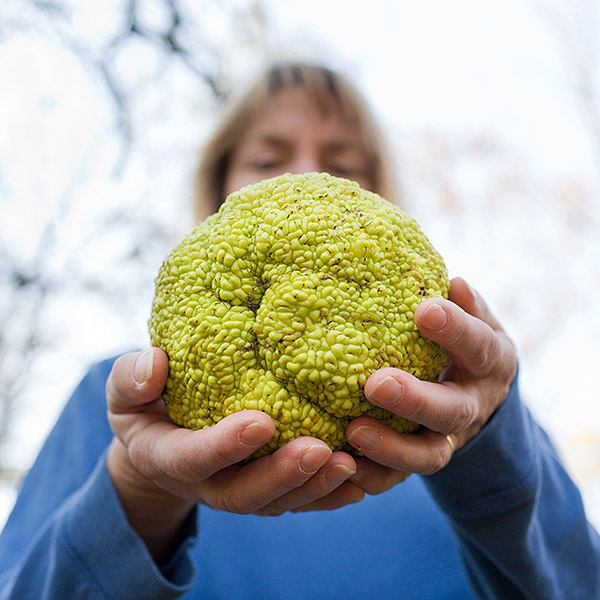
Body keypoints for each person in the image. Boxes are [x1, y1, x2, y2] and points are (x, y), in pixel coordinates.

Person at [0, 62, 599, 600]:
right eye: (267, 160)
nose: (305, 177)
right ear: (215, 199)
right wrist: (140, 491)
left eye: (342, 165)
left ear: (383, 205)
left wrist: (487, 444)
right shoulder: (119, 405)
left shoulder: (467, 411)